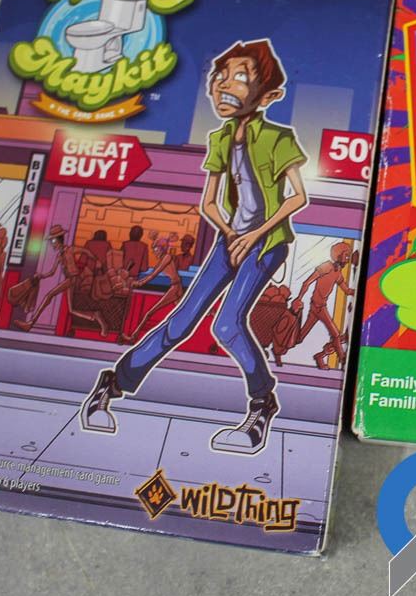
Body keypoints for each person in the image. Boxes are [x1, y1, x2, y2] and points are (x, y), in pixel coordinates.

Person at [82, 39, 307, 455]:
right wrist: (230, 232)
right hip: (231, 239)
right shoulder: (221, 138)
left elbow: (297, 198)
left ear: (268, 95)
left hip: (266, 243)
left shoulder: (278, 138)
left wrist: (252, 236)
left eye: (241, 77)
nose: (224, 84)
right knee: (182, 320)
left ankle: (262, 402)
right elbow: (209, 204)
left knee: (227, 325)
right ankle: (112, 384)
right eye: (221, 75)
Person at [13, 225, 110, 335]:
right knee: (71, 310)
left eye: (54, 240)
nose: (52, 243)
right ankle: (96, 316)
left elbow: (86, 251)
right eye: (51, 241)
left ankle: (31, 323)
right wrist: (41, 276)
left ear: (60, 239)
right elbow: (52, 272)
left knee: (49, 295)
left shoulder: (70, 250)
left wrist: (96, 260)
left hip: (74, 279)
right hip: (69, 280)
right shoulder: (59, 256)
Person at [292, 241, 355, 369]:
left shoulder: (338, 273)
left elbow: (347, 291)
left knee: (299, 338)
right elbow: (306, 283)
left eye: (349, 255)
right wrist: (299, 298)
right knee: (335, 334)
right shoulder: (326, 266)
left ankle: (319, 357)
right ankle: (343, 359)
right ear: (338, 255)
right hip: (318, 307)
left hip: (319, 307)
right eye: (346, 255)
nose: (348, 258)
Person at [122, 234, 184, 344]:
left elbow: (153, 275)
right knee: (184, 311)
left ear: (161, 248)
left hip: (175, 288)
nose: (154, 252)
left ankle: (133, 337)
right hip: (175, 287)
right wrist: (139, 282)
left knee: (149, 313)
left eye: (155, 249)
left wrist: (139, 283)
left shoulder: (167, 257)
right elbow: (152, 274)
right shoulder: (162, 259)